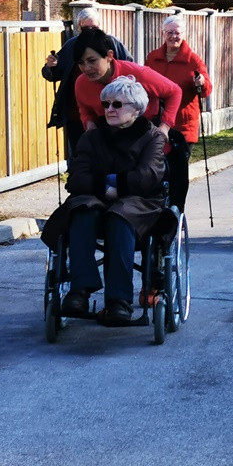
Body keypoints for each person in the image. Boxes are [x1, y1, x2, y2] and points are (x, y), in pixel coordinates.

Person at [40, 76, 167, 326]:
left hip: (140, 202)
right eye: (106, 104)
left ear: (137, 109)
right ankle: (79, 291)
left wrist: (113, 183)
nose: (109, 109)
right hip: (97, 197)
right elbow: (77, 177)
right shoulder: (92, 137)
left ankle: (118, 301)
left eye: (117, 104)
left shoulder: (152, 137)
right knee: (82, 210)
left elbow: (148, 177)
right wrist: (102, 187)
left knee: (119, 216)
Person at [42, 7, 133, 159]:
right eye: (86, 28)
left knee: (108, 158)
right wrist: (50, 67)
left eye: (94, 28)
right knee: (81, 159)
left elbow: (130, 68)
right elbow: (53, 74)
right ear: (79, 28)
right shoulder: (71, 46)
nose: (90, 32)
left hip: (109, 114)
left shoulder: (111, 43)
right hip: (76, 117)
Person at [144, 15, 213, 211]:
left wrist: (201, 83)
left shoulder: (193, 60)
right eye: (170, 33)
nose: (174, 36)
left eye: (178, 33)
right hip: (157, 123)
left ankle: (176, 208)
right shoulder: (153, 57)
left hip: (182, 125)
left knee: (177, 170)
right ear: (163, 33)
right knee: (154, 167)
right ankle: (155, 204)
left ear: (184, 35)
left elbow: (206, 90)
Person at [72, 28, 182, 139]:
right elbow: (85, 111)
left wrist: (164, 127)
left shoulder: (138, 73)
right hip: (110, 140)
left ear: (109, 56)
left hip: (146, 137)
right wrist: (90, 128)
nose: (86, 68)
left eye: (92, 61)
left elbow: (175, 91)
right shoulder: (81, 83)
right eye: (81, 63)